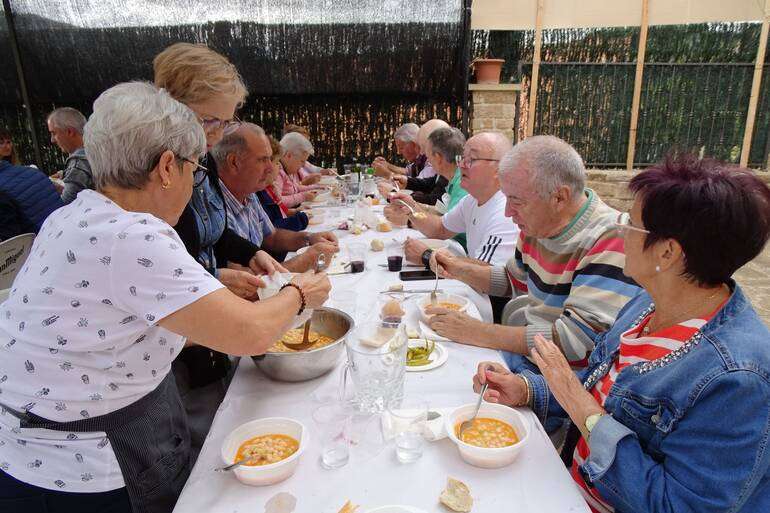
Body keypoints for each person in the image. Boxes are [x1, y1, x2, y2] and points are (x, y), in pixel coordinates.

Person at [0, 81, 331, 513]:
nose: (195, 187)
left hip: (35, 455)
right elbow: (251, 336)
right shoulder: (131, 234)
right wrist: (298, 293)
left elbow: (118, 328)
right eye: (195, 172)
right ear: (167, 167)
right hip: (85, 471)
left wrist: (217, 309)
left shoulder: (75, 214)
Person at [472, 154, 770, 513]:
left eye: (631, 224)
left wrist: (576, 401)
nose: (618, 230)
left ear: (668, 252)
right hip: (567, 485)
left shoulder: (738, 378)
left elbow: (679, 506)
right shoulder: (646, 304)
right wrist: (528, 389)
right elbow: (605, 391)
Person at [427, 136, 639, 384]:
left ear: (559, 197)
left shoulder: (609, 239)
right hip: (529, 358)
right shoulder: (538, 225)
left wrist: (476, 331)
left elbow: (575, 342)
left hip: (564, 382)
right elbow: (512, 280)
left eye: (516, 201)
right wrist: (457, 268)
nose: (507, 212)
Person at [153, 42, 271, 457]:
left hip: (201, 323)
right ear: (175, 107)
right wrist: (217, 279)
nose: (219, 134)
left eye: (226, 121)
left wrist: (251, 251)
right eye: (212, 121)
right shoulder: (151, 173)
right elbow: (159, 264)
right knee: (201, 443)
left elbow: (211, 230)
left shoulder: (198, 164)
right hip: (174, 348)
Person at [213, 123, 339, 270]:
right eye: (262, 160)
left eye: (272, 160)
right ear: (234, 162)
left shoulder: (248, 193)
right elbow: (240, 281)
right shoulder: (215, 209)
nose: (271, 168)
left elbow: (270, 236)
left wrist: (309, 239)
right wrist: (302, 262)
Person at [385, 132, 518, 267]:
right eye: (462, 158)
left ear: (499, 168)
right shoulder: (471, 201)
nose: (461, 165)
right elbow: (440, 229)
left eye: (471, 159)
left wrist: (427, 256)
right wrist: (411, 208)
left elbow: (488, 274)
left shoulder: (506, 213)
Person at [0, 145, 62, 237]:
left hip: (44, 245)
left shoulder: (3, 190)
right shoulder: (33, 172)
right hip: (67, 232)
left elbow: (12, 245)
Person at [257, 135, 310, 232]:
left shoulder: (268, 189)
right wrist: (300, 219)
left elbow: (280, 210)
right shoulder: (260, 193)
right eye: (277, 163)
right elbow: (271, 228)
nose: (280, 167)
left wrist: (294, 212)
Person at [47, 107, 95, 204]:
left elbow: (65, 204)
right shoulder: (100, 149)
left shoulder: (79, 162)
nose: (52, 140)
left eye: (54, 133)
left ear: (70, 132)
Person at [275, 132, 324, 208]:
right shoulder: (276, 172)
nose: (304, 165)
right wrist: (302, 197)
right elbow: (277, 202)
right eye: (302, 161)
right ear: (289, 155)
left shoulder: (287, 169)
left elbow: (296, 188)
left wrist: (316, 187)